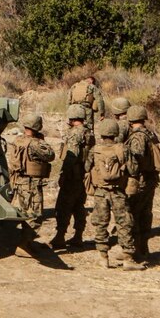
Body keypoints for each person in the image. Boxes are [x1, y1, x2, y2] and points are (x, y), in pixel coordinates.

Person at [87, 118, 145, 269]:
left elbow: (87, 167)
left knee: (100, 223)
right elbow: (133, 169)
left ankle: (102, 257)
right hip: (118, 192)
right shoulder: (123, 149)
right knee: (124, 223)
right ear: (115, 133)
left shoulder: (95, 149)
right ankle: (127, 259)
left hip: (100, 192)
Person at [8, 113, 55, 254]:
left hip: (20, 182)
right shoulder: (35, 144)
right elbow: (50, 155)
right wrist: (41, 141)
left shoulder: (18, 140)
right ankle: (24, 245)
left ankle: (26, 241)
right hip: (31, 183)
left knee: (25, 212)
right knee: (35, 215)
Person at [126, 104, 160, 262]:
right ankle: (144, 248)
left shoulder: (138, 136)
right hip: (151, 179)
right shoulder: (151, 133)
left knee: (134, 213)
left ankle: (137, 251)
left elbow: (136, 158)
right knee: (146, 213)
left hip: (141, 179)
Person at [50, 105, 93, 250]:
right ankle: (78, 236)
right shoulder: (88, 132)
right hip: (83, 174)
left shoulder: (75, 133)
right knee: (78, 206)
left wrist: (63, 174)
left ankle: (60, 237)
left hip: (72, 175)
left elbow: (71, 156)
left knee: (64, 206)